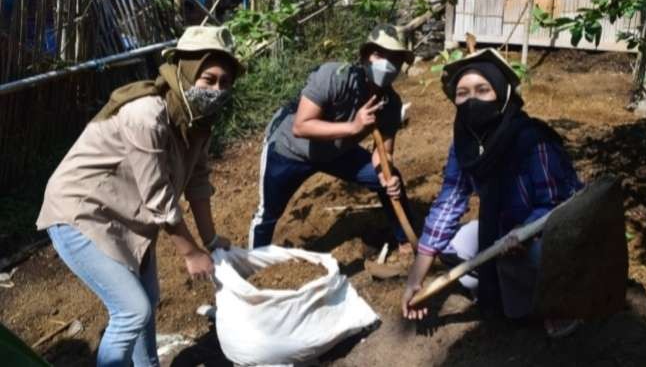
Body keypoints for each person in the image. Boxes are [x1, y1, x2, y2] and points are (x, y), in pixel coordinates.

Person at [36, 26, 241, 366]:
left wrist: (212, 238)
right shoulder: (147, 113)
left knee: (148, 299)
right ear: (186, 71)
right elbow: (158, 197)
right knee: (132, 311)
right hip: (80, 213)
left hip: (125, 216)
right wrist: (190, 251)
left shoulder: (197, 121)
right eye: (209, 79)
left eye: (225, 82)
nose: (217, 90)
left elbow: (198, 182)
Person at [400, 49, 584, 338]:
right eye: (462, 93)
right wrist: (416, 275)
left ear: (501, 92)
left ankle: (561, 304)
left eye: (482, 90)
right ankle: (501, 279)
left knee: (531, 255)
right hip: (503, 231)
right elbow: (449, 201)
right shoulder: (465, 146)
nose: (471, 99)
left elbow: (557, 205)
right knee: (450, 245)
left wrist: (524, 231)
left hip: (549, 232)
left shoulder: (531, 139)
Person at [248, 24, 416, 253]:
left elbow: (384, 153)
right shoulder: (334, 77)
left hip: (337, 152)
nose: (387, 64)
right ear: (365, 56)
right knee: (268, 213)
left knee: (389, 178)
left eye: (395, 58)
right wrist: (354, 126)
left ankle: (406, 240)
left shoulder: (390, 104)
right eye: (379, 54)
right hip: (290, 149)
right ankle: (254, 264)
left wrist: (386, 177)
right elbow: (301, 126)